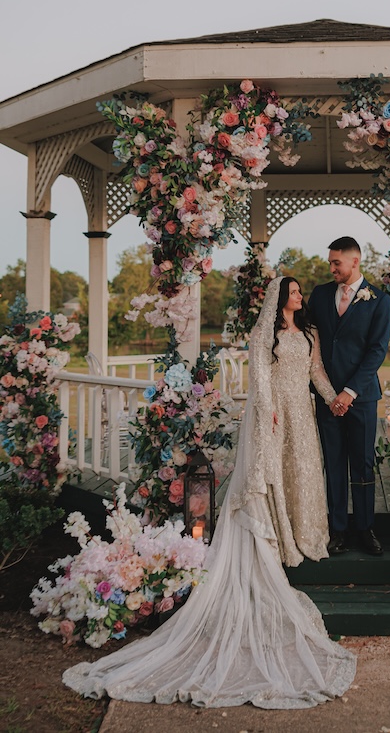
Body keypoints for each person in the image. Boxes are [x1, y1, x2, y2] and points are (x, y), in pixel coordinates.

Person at [62, 277, 356, 709]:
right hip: (273, 415)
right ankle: (278, 537)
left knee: (306, 475)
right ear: (279, 298)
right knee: (272, 474)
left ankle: (306, 535)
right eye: (292, 291)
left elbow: (317, 373)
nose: (298, 296)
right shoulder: (264, 334)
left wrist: (334, 400)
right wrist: (268, 414)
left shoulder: (308, 333)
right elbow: (259, 378)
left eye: (297, 292)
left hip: (304, 411)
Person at [308, 237, 390, 556]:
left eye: (336, 263)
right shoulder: (319, 295)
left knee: (363, 462)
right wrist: (330, 392)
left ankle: (366, 527)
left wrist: (349, 391)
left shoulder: (379, 301)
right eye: (330, 263)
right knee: (333, 461)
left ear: (354, 262)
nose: (331, 269)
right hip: (326, 397)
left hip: (362, 396)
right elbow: (305, 333)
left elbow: (377, 351)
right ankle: (338, 528)